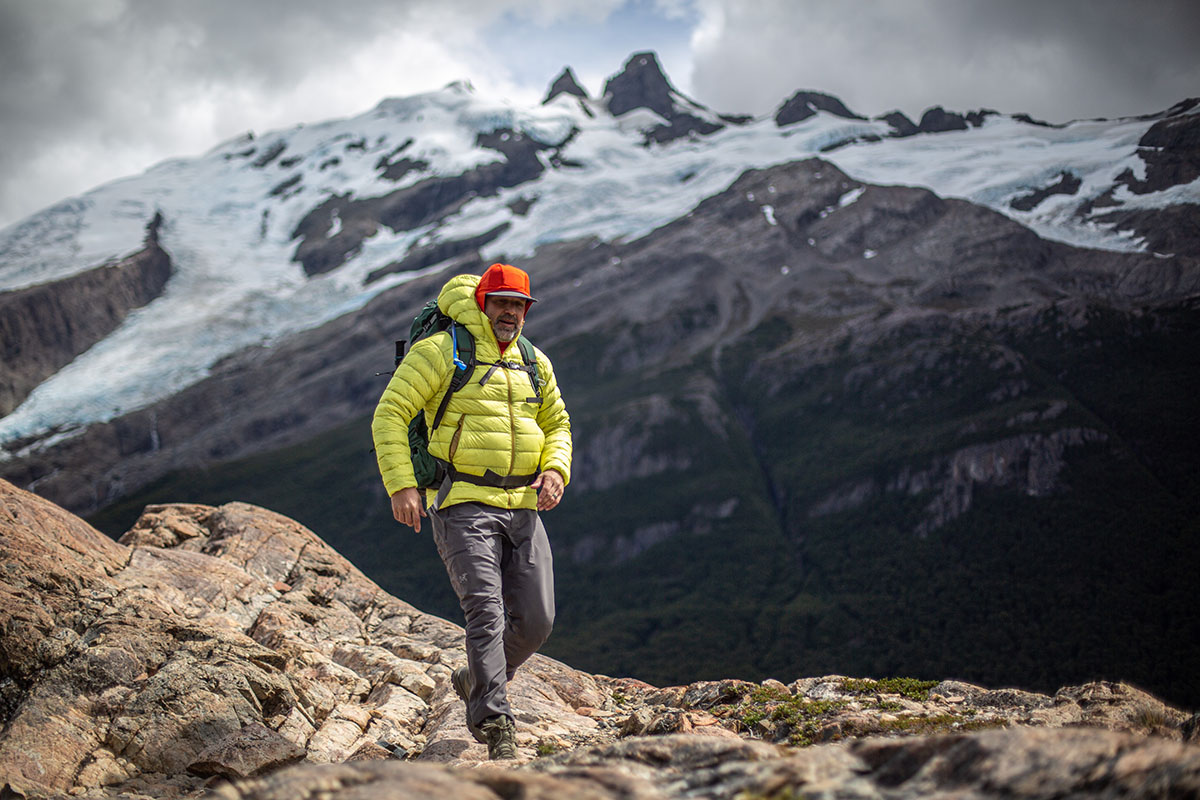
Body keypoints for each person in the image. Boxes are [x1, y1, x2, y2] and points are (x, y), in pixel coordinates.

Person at [372, 262, 572, 760]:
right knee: (484, 611)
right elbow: (390, 413)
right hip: (462, 503)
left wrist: (555, 469)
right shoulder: (443, 352)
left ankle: (473, 678)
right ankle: (495, 724)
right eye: (502, 302)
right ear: (483, 303)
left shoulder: (533, 361)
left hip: (524, 506)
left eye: (518, 305)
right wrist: (401, 485)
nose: (510, 313)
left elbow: (558, 423)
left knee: (537, 621)